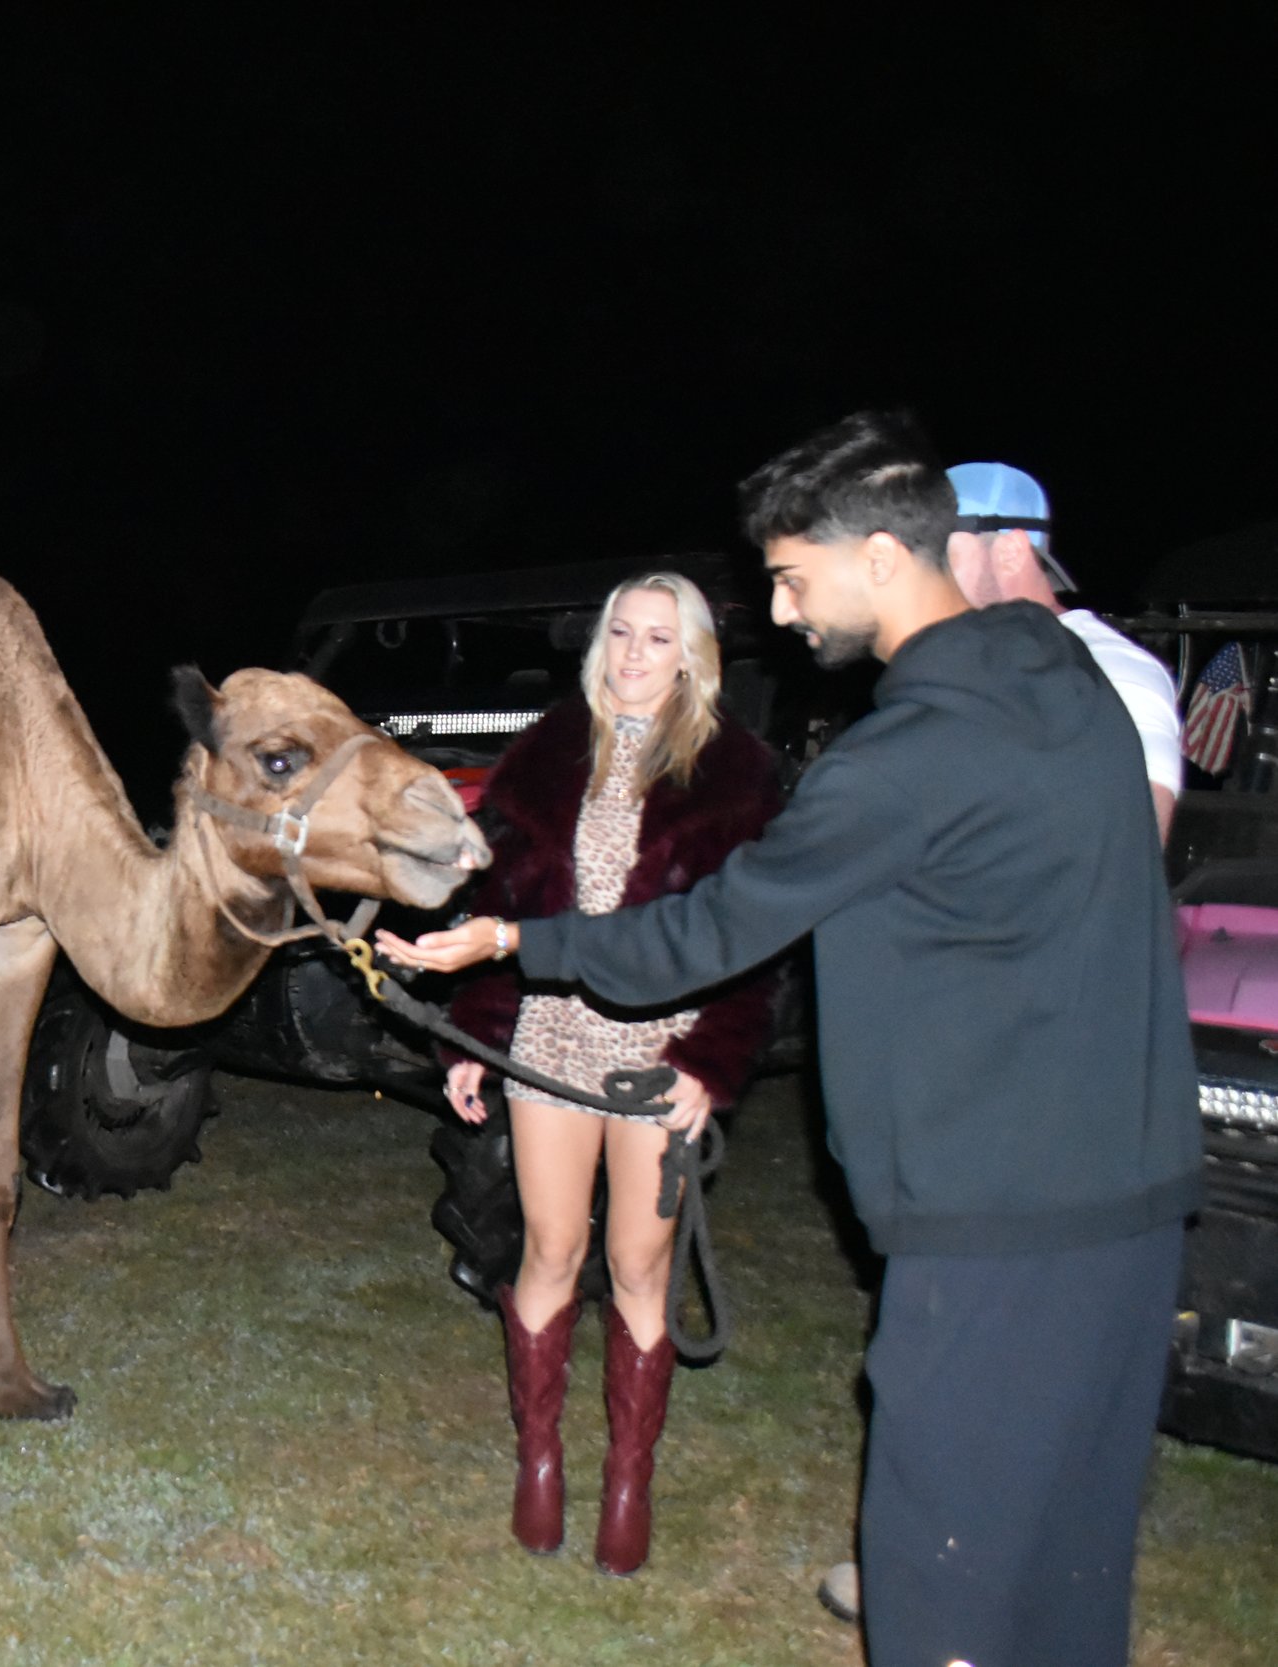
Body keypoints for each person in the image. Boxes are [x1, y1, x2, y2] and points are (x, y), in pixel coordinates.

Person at [378, 410, 1200, 1667]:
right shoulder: (1070, 686)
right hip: (1129, 1204)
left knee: (947, 1590)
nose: (781, 609)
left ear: (880, 554)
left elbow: (705, 934)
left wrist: (508, 947)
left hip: (992, 1219)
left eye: (791, 576)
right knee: (1067, 1569)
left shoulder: (902, 758)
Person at [812, 460, 1185, 1628]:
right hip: (975, 1113)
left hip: (1042, 1114)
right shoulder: (973, 682)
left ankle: (956, 1579)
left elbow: (1102, 882)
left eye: (933, 546)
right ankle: (948, 1560)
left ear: (991, 546)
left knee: (1010, 1398)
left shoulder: (1104, 675)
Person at [433, 571, 783, 1575]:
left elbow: (748, 942)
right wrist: (474, 1032)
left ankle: (628, 1476)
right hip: (549, 1035)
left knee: (637, 1261)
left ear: (692, 655)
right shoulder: (546, 753)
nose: (633, 653)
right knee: (549, 1246)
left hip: (660, 1049)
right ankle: (537, 1457)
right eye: (619, 633)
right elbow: (500, 908)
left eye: (657, 638)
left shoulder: (736, 772)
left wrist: (710, 1060)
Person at [948, 460, 1182, 841]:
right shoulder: (953, 671)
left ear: (1010, 552)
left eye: (942, 555)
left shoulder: (1109, 667)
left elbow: (1134, 843)